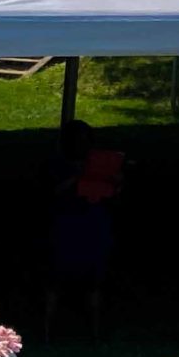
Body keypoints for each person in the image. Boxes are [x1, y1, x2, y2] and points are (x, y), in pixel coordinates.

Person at [45, 118, 125, 336]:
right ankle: (48, 331)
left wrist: (114, 182)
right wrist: (78, 175)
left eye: (86, 141)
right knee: (57, 278)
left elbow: (113, 198)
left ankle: (94, 331)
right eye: (78, 141)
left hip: (94, 222)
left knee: (95, 280)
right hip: (68, 223)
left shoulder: (98, 164)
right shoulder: (59, 165)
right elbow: (54, 192)